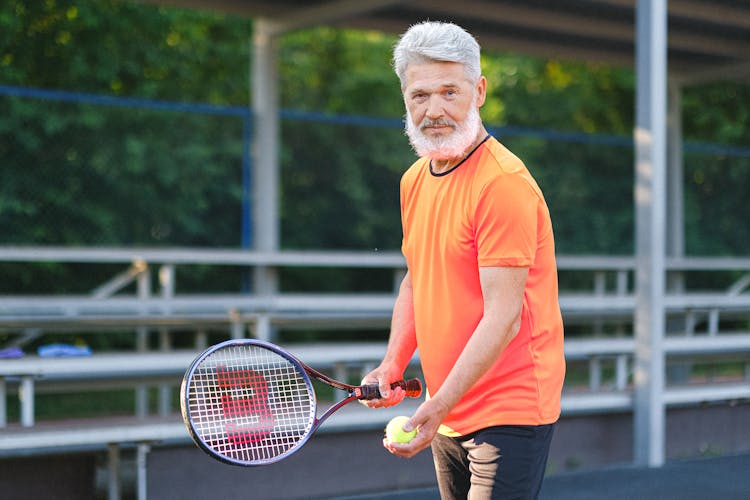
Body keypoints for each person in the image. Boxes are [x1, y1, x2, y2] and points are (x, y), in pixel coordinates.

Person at [361, 21, 566, 499]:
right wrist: (393, 363)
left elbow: (504, 316)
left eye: (449, 92)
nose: (434, 110)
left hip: (509, 406)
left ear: (479, 92)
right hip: (447, 403)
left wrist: (438, 404)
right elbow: (419, 278)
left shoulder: (502, 184)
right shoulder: (414, 179)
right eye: (420, 95)